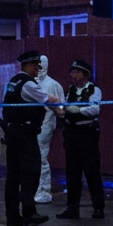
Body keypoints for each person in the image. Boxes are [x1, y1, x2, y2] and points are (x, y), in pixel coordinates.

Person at [0, 50, 56, 226]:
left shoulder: (13, 81)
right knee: (31, 172)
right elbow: (48, 99)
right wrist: (63, 108)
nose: (38, 70)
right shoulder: (28, 84)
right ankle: (29, 213)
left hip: (13, 133)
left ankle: (13, 217)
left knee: (14, 176)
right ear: (28, 65)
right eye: (36, 66)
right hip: (24, 134)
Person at [55, 59, 105, 219]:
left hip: (87, 133)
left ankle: (98, 207)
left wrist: (78, 111)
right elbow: (64, 106)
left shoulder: (93, 90)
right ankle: (72, 208)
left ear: (85, 74)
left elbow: (94, 109)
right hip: (72, 134)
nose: (73, 75)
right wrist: (62, 111)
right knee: (72, 172)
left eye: (77, 72)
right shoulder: (70, 90)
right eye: (72, 72)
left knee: (92, 171)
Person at [34, 54, 65, 204]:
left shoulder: (52, 85)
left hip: (45, 125)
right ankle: (32, 187)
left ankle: (43, 189)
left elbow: (61, 107)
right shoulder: (29, 83)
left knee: (41, 157)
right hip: (31, 126)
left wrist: (57, 110)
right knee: (30, 158)